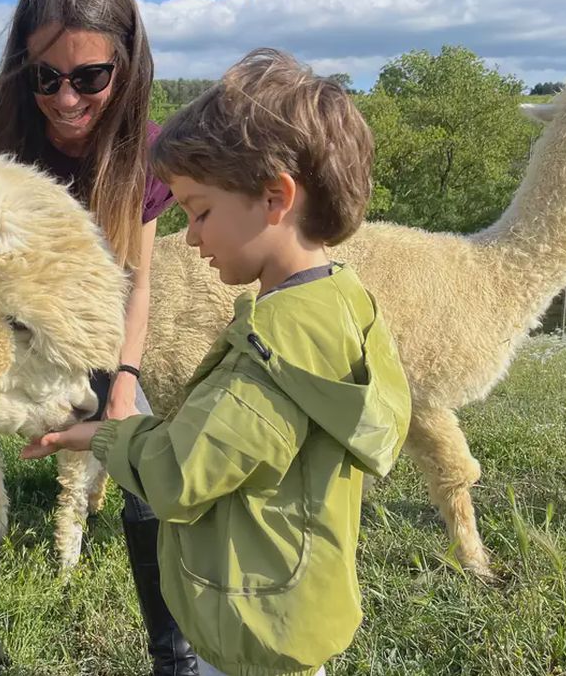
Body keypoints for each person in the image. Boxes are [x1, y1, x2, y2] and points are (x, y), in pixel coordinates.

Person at [22, 48, 413, 676]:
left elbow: (180, 476)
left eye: (200, 211)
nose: (193, 236)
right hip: (293, 604)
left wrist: (105, 437)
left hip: (248, 627)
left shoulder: (274, 351)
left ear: (276, 197)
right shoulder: (343, 303)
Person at [0, 0, 197, 674]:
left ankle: (172, 654)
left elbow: (136, 284)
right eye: (45, 77)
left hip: (91, 333)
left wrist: (124, 382)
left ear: (128, 64)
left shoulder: (144, 152)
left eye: (90, 76)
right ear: (23, 63)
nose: (66, 99)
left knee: (144, 456)